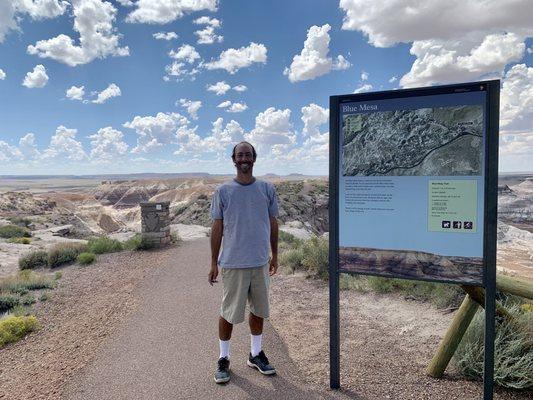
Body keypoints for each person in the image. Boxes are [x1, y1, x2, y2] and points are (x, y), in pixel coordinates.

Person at [209, 141, 279, 384]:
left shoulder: (267, 189)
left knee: (259, 310)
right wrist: (213, 262)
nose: (244, 159)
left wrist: (275, 254)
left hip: (259, 261)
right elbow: (217, 227)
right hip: (233, 263)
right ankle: (223, 358)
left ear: (254, 158)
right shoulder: (223, 191)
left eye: (248, 154)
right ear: (234, 159)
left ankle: (255, 354)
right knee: (228, 313)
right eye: (240, 155)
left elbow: (273, 223)